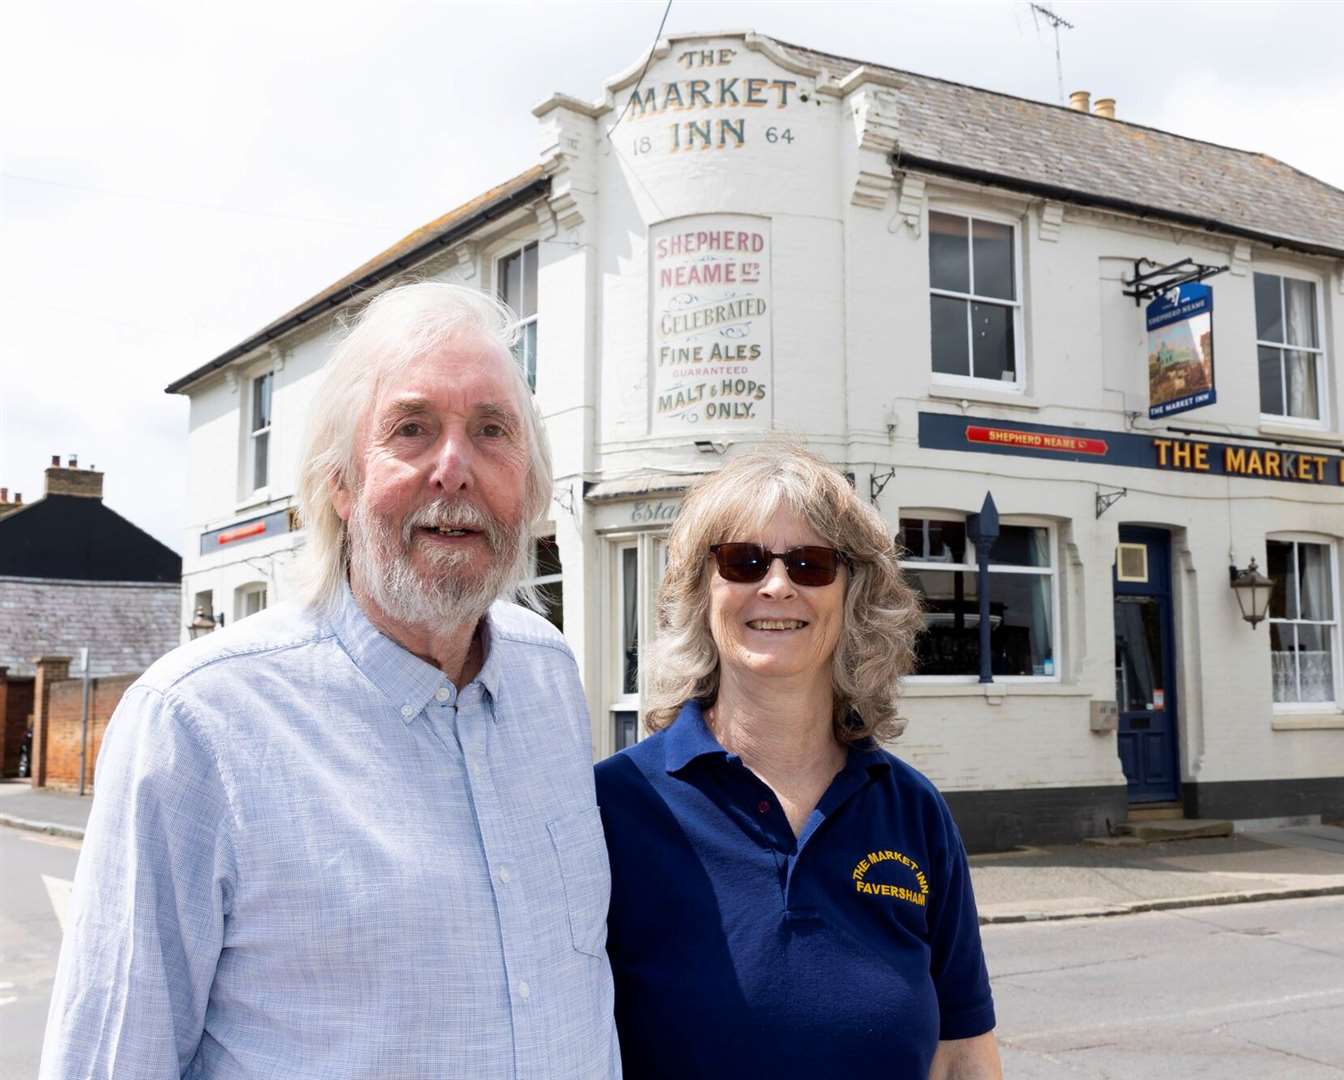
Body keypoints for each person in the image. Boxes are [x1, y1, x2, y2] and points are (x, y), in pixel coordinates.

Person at [41, 283, 619, 1079]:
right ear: (341, 485)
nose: (455, 468)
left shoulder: (550, 675)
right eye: (411, 430)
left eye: (493, 432)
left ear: (529, 485)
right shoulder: (195, 723)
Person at [595, 444, 1002, 1080]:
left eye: (811, 564)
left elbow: (963, 1056)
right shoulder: (613, 809)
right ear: (703, 592)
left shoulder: (912, 810)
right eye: (743, 560)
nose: (777, 585)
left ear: (854, 597)